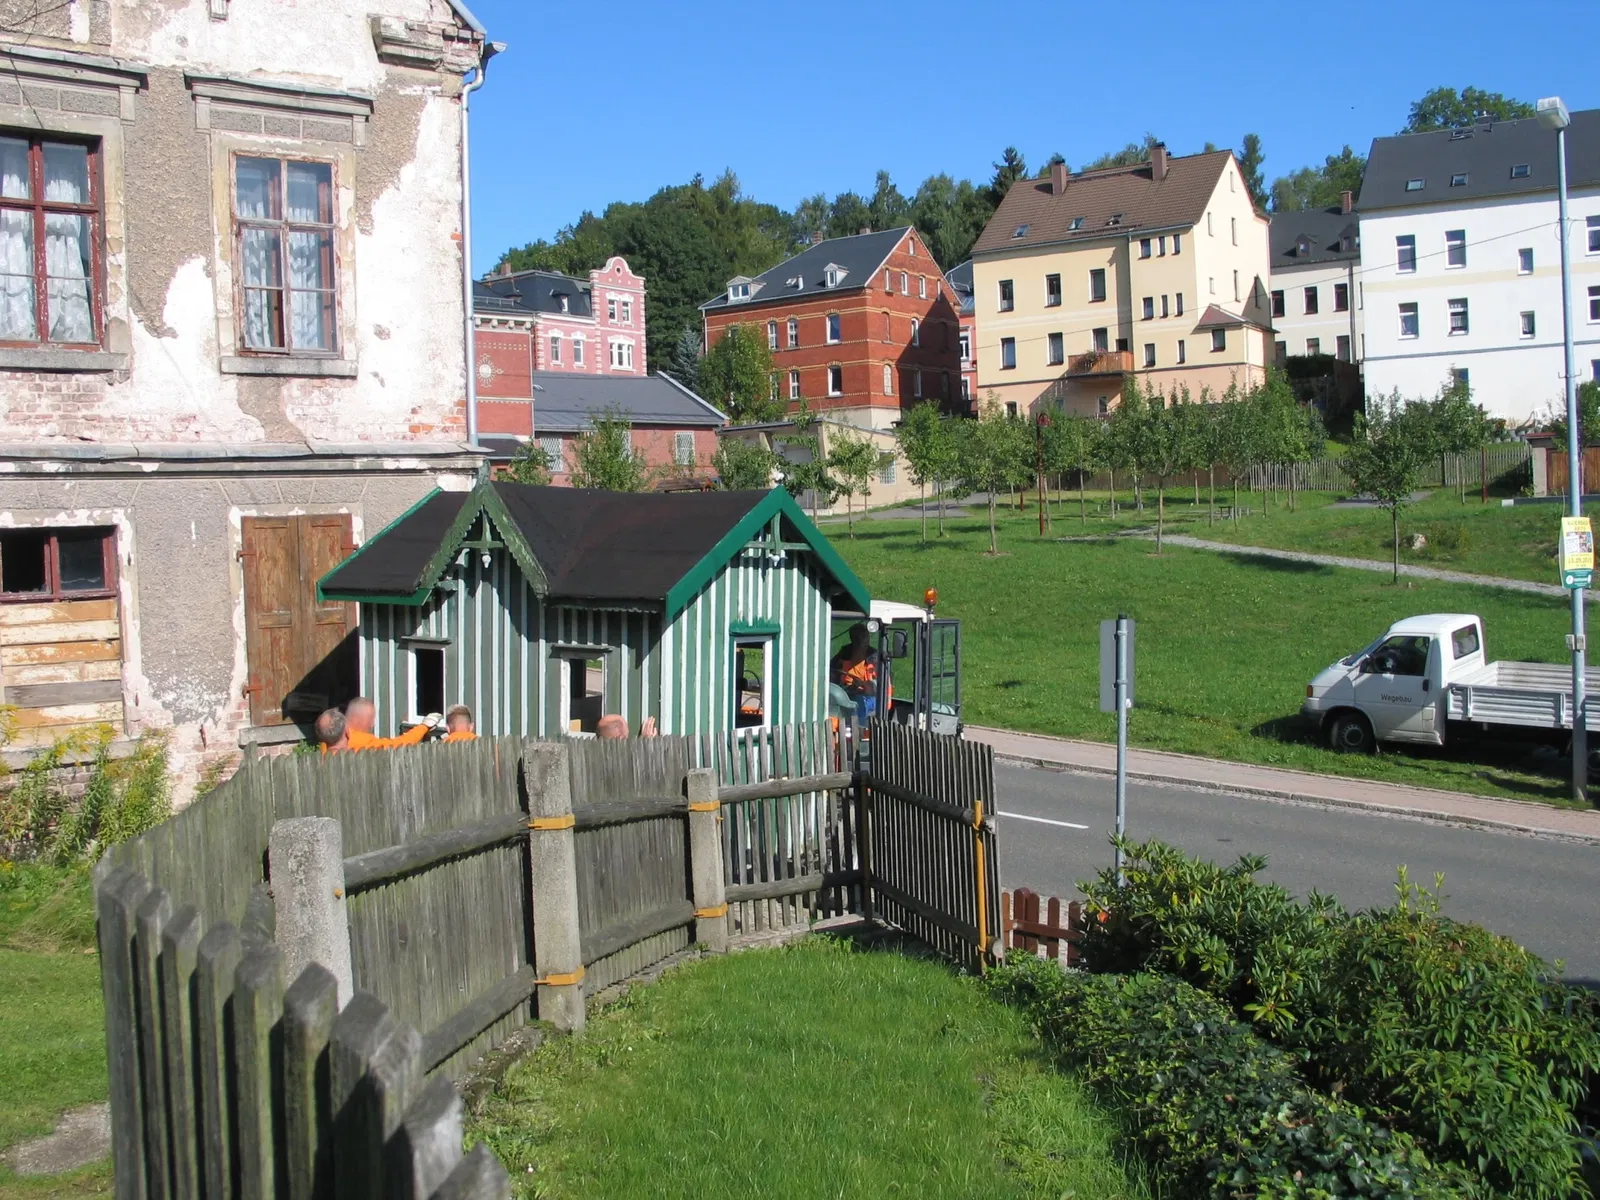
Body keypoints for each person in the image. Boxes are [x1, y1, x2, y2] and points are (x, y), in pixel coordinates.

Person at [328, 696, 438, 752]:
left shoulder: (329, 737)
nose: (372, 724)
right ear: (358, 719)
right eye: (370, 719)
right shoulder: (364, 742)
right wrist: (424, 726)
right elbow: (398, 744)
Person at [831, 623, 881, 719]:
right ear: (852, 638)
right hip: (847, 692)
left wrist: (862, 684)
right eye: (857, 637)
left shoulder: (875, 657)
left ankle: (859, 728)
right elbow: (832, 671)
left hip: (869, 697)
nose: (861, 639)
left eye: (864, 636)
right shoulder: (845, 653)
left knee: (860, 702)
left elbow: (878, 688)